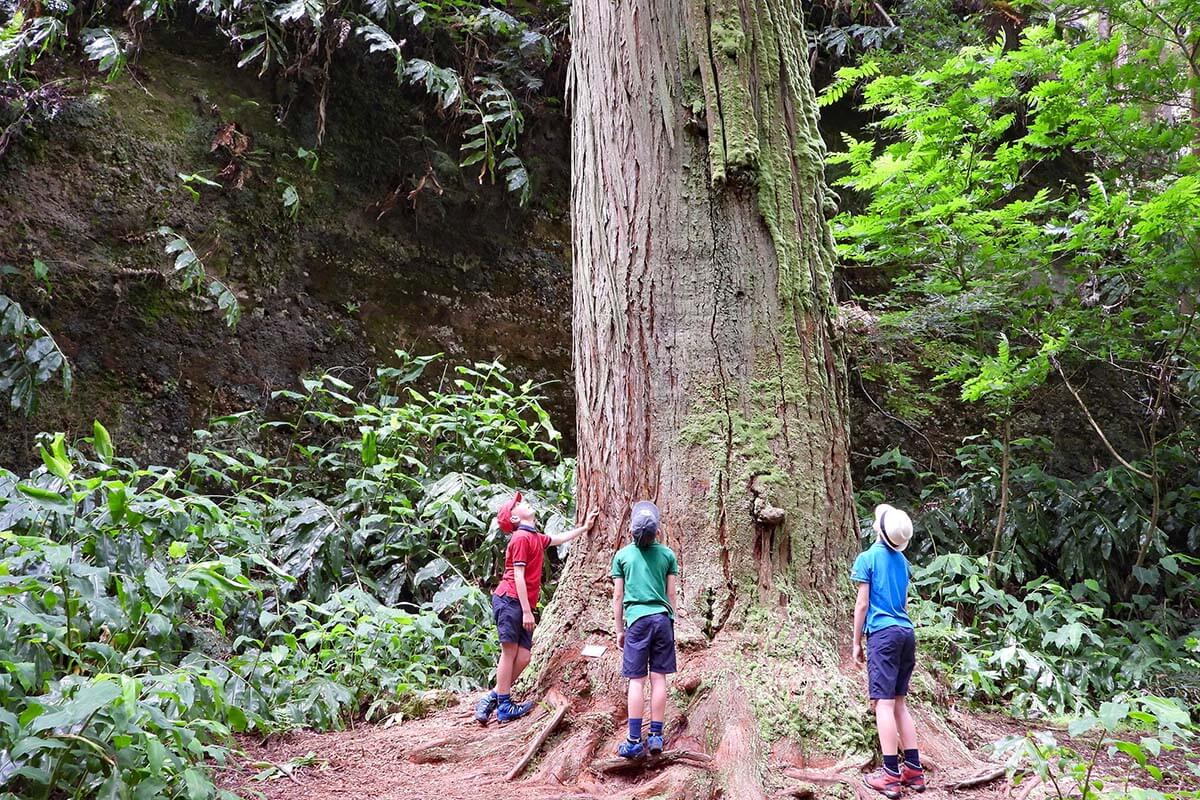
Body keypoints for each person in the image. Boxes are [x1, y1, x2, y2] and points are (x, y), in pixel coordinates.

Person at [474, 492, 597, 725]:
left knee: (525, 656)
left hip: (520, 603)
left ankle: (494, 697)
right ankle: (504, 706)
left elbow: (558, 539)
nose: (522, 503)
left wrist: (584, 528)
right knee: (509, 653)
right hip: (510, 599)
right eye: (517, 505)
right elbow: (518, 576)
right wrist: (527, 610)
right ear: (514, 519)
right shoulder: (520, 538)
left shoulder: (534, 537)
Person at [852, 503, 925, 798]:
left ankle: (891, 775)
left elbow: (862, 604)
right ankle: (914, 771)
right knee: (899, 703)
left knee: (883, 704)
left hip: (883, 635)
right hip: (906, 633)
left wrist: (856, 642)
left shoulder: (867, 558)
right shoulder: (903, 562)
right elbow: (904, 604)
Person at [612, 500, 678, 758]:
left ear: (631, 530)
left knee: (636, 681)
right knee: (659, 677)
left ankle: (633, 741)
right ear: (657, 532)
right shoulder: (667, 555)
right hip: (662, 620)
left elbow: (618, 597)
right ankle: (656, 737)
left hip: (637, 622)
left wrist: (619, 629)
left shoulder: (622, 556)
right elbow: (671, 593)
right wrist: (671, 620)